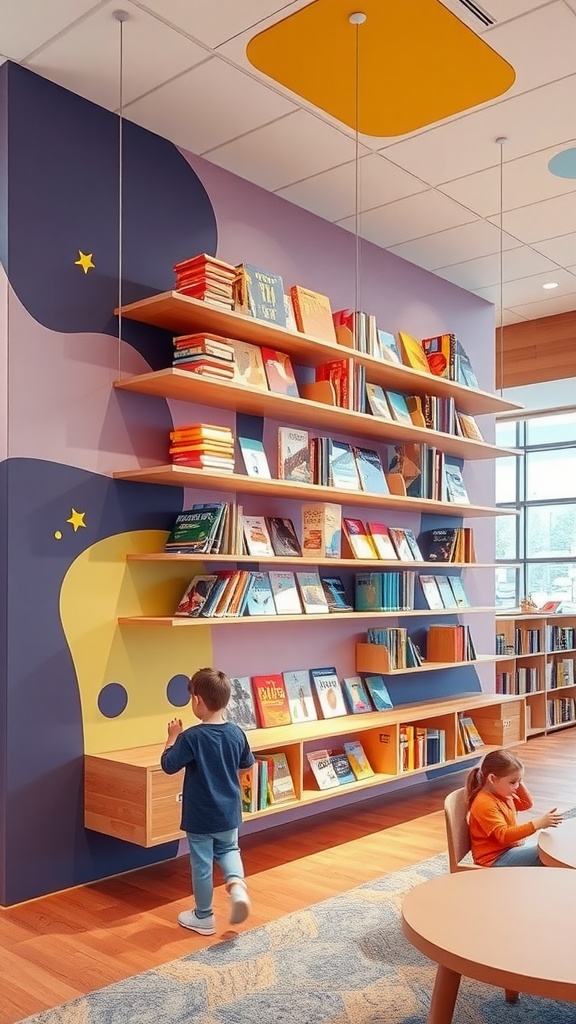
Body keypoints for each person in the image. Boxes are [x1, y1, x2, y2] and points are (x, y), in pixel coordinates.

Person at [161, 667, 255, 935]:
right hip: (228, 812)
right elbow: (247, 765)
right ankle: (236, 886)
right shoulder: (237, 732)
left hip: (200, 815)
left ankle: (203, 916)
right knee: (229, 850)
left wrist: (172, 738)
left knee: (202, 864)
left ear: (197, 700)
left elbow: (168, 765)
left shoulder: (191, 737)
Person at [467, 748, 563, 866]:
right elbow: (504, 835)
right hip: (495, 858)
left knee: (550, 846)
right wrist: (537, 824)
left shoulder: (503, 793)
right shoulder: (484, 803)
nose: (517, 786)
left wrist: (517, 780)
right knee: (547, 855)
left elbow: (526, 804)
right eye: (512, 782)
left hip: (509, 848)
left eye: (519, 781)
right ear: (492, 779)